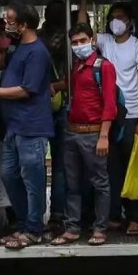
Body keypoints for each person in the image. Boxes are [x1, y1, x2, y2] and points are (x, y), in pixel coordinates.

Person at [0, 1, 54, 250]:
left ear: (23, 25)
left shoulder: (37, 52)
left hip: (31, 127)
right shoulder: (19, 47)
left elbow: (26, 90)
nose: (6, 24)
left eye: (10, 21)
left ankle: (34, 229)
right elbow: (1, 64)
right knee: (9, 175)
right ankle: (23, 223)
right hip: (15, 126)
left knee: (33, 180)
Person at [78, 0, 138, 236]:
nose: (115, 22)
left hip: (131, 116)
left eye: (120, 17)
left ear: (130, 21)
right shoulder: (106, 41)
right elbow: (82, 30)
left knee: (134, 169)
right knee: (112, 169)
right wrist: (85, 2)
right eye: (112, 18)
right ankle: (114, 216)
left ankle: (135, 218)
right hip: (109, 116)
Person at [51, 22, 118, 246]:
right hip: (72, 132)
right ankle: (72, 228)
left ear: (92, 40)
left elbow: (110, 104)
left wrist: (104, 136)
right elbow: (69, 90)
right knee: (73, 184)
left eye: (82, 41)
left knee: (100, 182)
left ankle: (99, 229)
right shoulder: (78, 67)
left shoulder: (103, 67)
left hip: (93, 133)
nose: (78, 46)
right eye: (74, 42)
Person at [37, 0, 69, 235]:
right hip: (61, 104)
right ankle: (57, 214)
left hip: (37, 106)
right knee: (60, 164)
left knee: (35, 164)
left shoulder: (36, 38)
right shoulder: (66, 39)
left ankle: (35, 215)